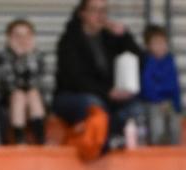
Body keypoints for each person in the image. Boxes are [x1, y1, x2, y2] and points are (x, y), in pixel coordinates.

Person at [54, 0, 145, 150]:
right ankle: (106, 141)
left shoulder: (111, 37)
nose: (100, 16)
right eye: (94, 10)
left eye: (103, 11)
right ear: (82, 14)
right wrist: (108, 92)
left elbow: (138, 60)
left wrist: (124, 36)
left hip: (108, 95)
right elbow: (75, 79)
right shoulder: (69, 41)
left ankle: (116, 140)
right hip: (73, 96)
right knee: (95, 105)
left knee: (136, 108)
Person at [0, 18, 47, 145]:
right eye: (17, 35)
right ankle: (19, 140)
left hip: (34, 101)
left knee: (32, 94)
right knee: (19, 95)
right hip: (8, 100)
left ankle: (40, 140)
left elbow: (36, 82)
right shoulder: (2, 56)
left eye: (27, 35)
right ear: (9, 37)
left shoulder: (38, 55)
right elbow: (9, 84)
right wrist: (18, 58)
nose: (22, 39)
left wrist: (27, 57)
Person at [139, 24, 182, 146]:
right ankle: (156, 148)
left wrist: (177, 106)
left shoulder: (170, 60)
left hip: (169, 101)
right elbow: (146, 86)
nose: (161, 46)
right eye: (156, 43)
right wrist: (159, 100)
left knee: (175, 126)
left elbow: (175, 85)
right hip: (153, 101)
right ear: (148, 46)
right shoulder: (148, 61)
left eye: (163, 42)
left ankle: (174, 150)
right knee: (157, 126)